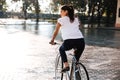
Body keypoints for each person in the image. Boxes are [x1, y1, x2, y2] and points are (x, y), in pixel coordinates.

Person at [49, 5, 85, 73]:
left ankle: (66, 65)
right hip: (81, 41)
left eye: (61, 11)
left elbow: (56, 31)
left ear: (66, 11)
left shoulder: (61, 20)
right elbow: (80, 27)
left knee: (61, 49)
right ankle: (76, 71)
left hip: (69, 42)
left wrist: (52, 40)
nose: (60, 13)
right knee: (76, 60)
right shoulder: (76, 19)